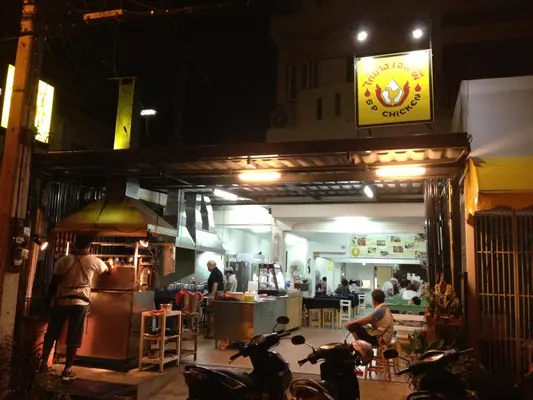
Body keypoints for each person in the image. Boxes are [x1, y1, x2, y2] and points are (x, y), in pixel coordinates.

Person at [40, 234, 113, 381]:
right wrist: (110, 263)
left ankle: (42, 364)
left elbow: (54, 283)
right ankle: (67, 370)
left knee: (52, 332)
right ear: (89, 246)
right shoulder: (93, 260)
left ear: (74, 245)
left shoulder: (64, 260)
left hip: (61, 300)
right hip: (80, 303)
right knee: (74, 336)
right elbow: (108, 271)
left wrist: (48, 299)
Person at [205, 260, 223, 339]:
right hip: (217, 294)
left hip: (216, 294)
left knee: (211, 313)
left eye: (208, 266)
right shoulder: (216, 271)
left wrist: (212, 295)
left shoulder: (215, 272)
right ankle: (213, 332)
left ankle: (212, 333)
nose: (207, 268)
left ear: (211, 265)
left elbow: (215, 284)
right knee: (213, 313)